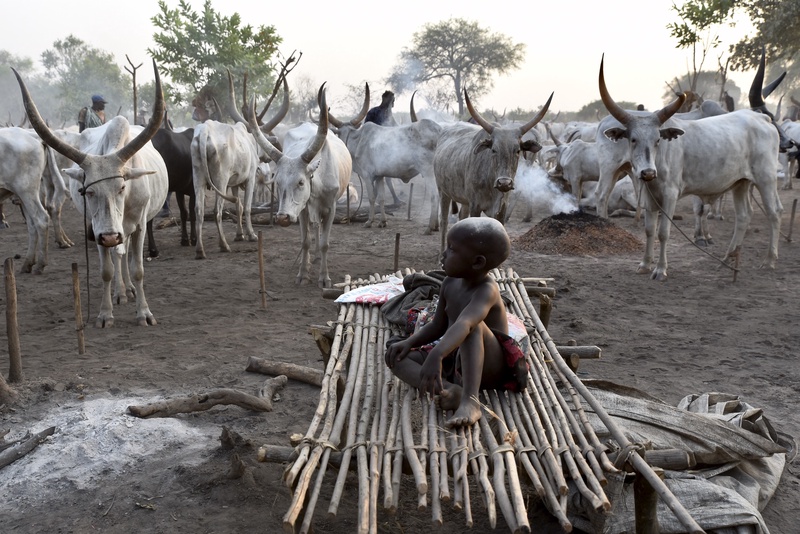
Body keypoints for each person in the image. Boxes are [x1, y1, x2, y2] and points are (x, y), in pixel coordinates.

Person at [384, 217, 529, 428]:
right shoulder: (450, 283)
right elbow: (437, 326)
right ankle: (451, 390)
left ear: (477, 262)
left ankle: (471, 401)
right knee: (396, 357)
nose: (443, 255)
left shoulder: (486, 291)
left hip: (489, 367)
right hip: (456, 358)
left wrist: (437, 354)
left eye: (451, 250)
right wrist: (409, 342)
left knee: (473, 326)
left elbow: (465, 325)